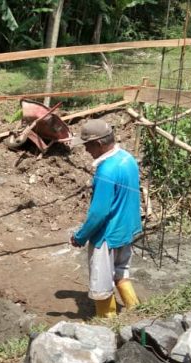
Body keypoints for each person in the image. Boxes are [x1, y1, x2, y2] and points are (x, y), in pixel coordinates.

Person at [69, 119, 142, 318]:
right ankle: (137, 313)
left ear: (99, 143)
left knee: (101, 286)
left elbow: (98, 213)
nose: (86, 150)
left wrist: (81, 236)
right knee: (121, 272)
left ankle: (108, 323)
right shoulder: (127, 158)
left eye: (88, 145)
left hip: (106, 236)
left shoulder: (106, 170)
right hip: (127, 230)